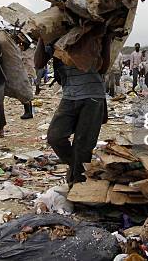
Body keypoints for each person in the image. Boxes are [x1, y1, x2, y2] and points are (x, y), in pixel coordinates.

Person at [36, 34, 112, 186]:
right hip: (69, 95)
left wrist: (106, 38)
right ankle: (79, 169)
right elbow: (38, 62)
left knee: (83, 145)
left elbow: (103, 68)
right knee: (55, 137)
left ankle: (77, 186)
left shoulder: (93, 34)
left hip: (93, 95)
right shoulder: (56, 38)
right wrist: (42, 36)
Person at [19, 41, 35, 119]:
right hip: (25, 75)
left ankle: (28, 112)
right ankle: (28, 111)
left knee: (26, 93)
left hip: (28, 75)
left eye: (21, 44)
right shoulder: (25, 52)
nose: (20, 46)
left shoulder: (29, 52)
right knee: (25, 93)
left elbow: (25, 60)